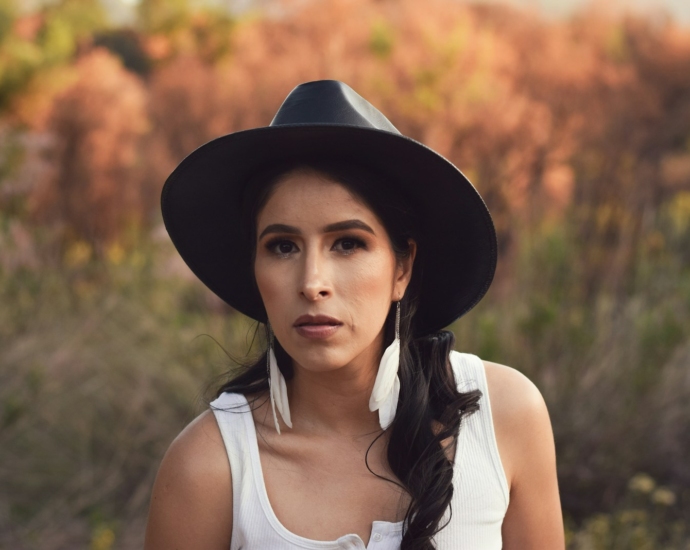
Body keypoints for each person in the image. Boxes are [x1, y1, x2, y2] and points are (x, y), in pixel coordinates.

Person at [145, 80, 565, 549]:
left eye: (348, 243)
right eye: (282, 247)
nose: (311, 282)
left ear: (401, 267)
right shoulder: (210, 465)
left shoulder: (503, 415)